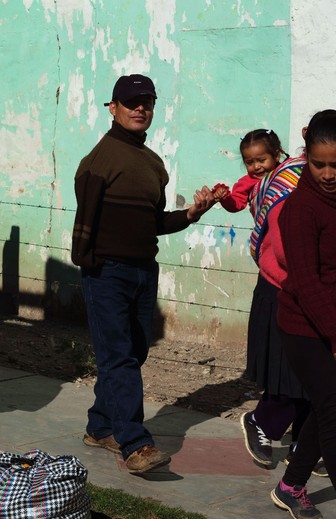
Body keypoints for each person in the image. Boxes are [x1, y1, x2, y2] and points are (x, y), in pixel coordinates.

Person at [71, 73, 217, 474]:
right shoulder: (98, 162)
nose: (140, 108)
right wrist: (89, 266)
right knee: (118, 358)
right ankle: (135, 444)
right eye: (131, 102)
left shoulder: (153, 163)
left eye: (147, 102)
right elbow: (85, 221)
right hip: (106, 274)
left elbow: (152, 222)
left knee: (133, 353)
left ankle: (101, 426)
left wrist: (190, 215)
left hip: (142, 272)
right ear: (113, 108)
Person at [213, 132, 321, 473]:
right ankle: (263, 423)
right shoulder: (292, 181)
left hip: (313, 287)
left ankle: (305, 444)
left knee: (314, 378)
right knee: (293, 373)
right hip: (287, 286)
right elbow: (282, 243)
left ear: (277, 153)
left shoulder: (310, 176)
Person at [271, 109, 336, 519]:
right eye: (319, 164)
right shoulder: (301, 209)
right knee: (333, 410)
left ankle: (290, 486)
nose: (328, 174)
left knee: (327, 405)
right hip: (305, 326)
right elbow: (308, 284)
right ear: (305, 157)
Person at [213, 128, 287, 213]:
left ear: (276, 156)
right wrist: (225, 198)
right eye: (249, 162)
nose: (256, 166)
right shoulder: (246, 183)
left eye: (261, 160)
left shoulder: (288, 170)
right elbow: (236, 205)